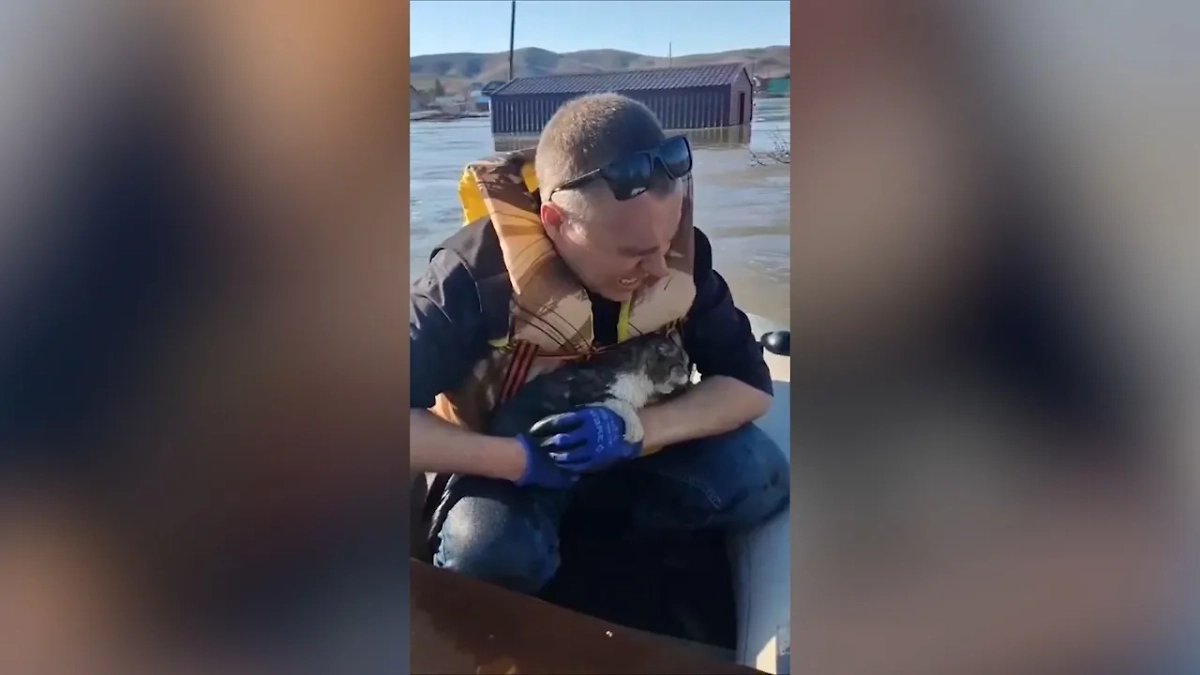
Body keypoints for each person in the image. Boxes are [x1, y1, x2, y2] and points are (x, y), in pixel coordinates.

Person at [409, 93, 790, 593]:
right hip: (508, 465)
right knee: (490, 551)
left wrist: (637, 431)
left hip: (631, 451)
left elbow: (749, 387)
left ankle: (606, 541)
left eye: (665, 243)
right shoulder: (468, 277)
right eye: (633, 253)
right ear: (556, 222)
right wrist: (521, 461)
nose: (659, 269)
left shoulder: (678, 257)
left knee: (760, 477)